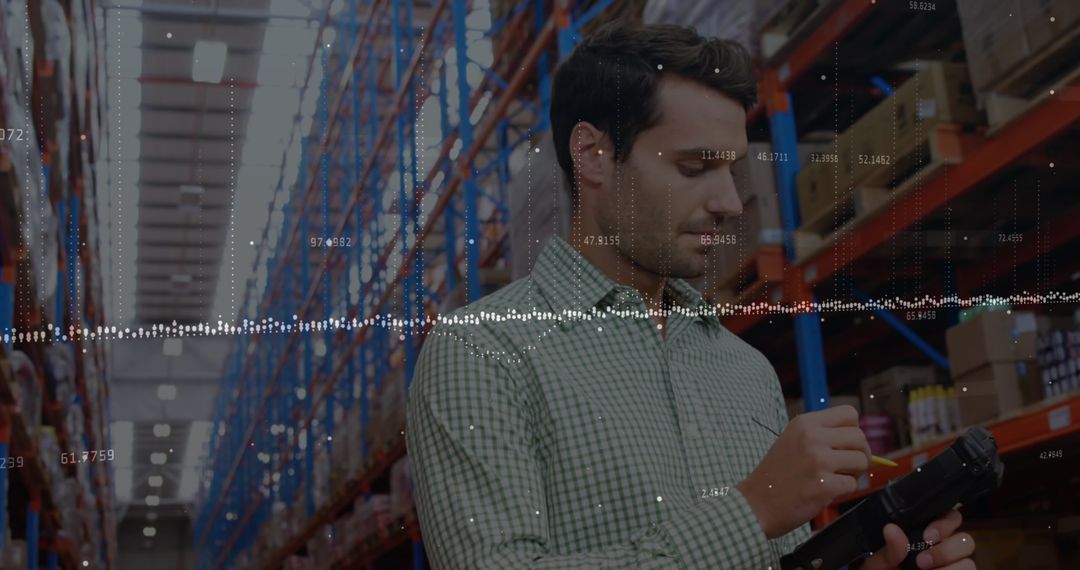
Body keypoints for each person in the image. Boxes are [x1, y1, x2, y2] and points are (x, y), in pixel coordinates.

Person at [406, 23, 976, 570]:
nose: (730, 201)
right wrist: (752, 510)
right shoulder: (480, 353)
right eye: (696, 166)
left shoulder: (744, 369)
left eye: (730, 169)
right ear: (592, 154)